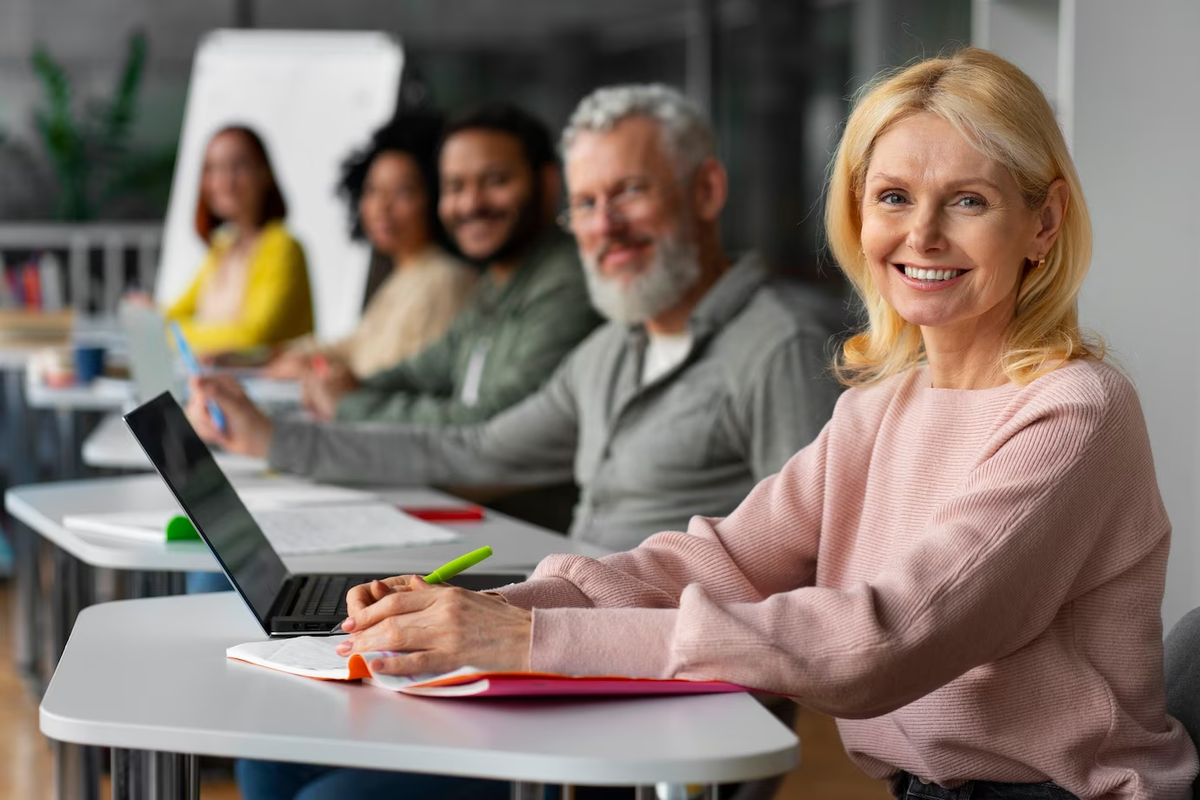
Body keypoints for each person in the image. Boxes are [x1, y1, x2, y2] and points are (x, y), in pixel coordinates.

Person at [323, 50, 1200, 799]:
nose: (922, 234)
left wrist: (529, 640)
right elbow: (716, 561)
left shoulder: (1075, 413)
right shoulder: (879, 409)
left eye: (968, 201)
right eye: (893, 196)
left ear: (1042, 223)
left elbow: (881, 641)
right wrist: (487, 606)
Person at [190, 84, 845, 554]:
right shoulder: (618, 348)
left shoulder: (779, 347)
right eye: (587, 204)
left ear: (706, 191)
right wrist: (273, 438)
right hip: (570, 629)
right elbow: (473, 448)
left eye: (631, 192)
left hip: (657, 689)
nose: (604, 226)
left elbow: (803, 570)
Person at [295, 103, 601, 424]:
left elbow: (500, 423)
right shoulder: (496, 283)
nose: (471, 203)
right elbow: (423, 371)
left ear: (549, 183)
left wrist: (351, 405)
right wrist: (349, 387)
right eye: (455, 187)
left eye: (496, 180)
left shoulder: (566, 284)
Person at [264, 112, 478, 381]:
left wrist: (315, 371)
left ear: (437, 195)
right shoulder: (406, 274)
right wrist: (288, 356)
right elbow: (355, 345)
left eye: (403, 192)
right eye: (372, 191)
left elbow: (407, 384)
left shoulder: (444, 281)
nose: (382, 207)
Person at [164, 125, 313, 356]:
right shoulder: (223, 246)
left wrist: (178, 336)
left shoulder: (282, 247)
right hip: (222, 383)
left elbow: (254, 336)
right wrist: (149, 316)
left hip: (271, 389)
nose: (225, 180)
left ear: (265, 174)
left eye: (239, 166)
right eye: (214, 169)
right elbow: (172, 317)